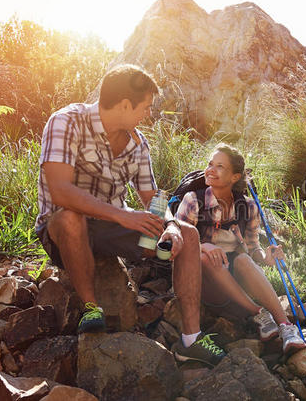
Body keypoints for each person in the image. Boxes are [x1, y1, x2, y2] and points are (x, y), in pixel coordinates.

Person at [35, 64, 225, 365]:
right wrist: (121, 215)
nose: (148, 115)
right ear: (124, 104)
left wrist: (171, 224)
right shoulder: (66, 121)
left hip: (112, 232)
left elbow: (154, 196)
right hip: (61, 230)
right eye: (145, 107)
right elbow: (60, 191)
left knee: (187, 235)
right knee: (72, 218)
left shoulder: (139, 144)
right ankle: (91, 309)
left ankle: (191, 338)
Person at [174, 144, 306, 354]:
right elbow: (177, 240)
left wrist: (267, 257)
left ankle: (286, 328)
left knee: (244, 260)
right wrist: (202, 246)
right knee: (207, 258)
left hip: (237, 281)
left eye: (220, 167)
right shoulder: (193, 201)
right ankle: (260, 313)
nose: (210, 170)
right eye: (210, 164)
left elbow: (253, 248)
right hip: (205, 284)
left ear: (235, 177)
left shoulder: (248, 207)